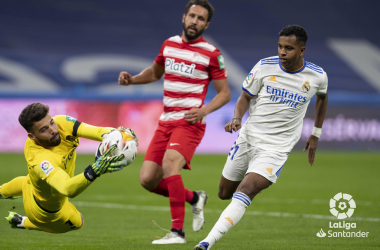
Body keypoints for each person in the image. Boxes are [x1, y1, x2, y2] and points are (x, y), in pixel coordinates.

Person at [194, 25, 328, 249]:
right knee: (224, 193)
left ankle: (207, 242)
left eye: (289, 48)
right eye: (280, 47)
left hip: (276, 148)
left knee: (246, 190)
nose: (282, 52)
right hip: (248, 138)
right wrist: (237, 118)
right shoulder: (265, 67)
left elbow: (322, 98)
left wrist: (315, 133)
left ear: (302, 50)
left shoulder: (317, 76)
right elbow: (244, 97)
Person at [118, 0, 231, 244]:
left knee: (170, 164)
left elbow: (225, 93)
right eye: (192, 16)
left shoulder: (212, 53)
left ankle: (177, 232)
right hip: (165, 122)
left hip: (189, 122)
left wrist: (204, 111)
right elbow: (155, 73)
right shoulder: (169, 45)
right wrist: (133, 80)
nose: (195, 21)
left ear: (206, 24)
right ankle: (194, 198)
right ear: (184, 17)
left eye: (201, 19)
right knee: (148, 179)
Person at [0, 102, 137, 233]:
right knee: (79, 222)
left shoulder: (61, 123)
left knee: (29, 182)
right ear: (32, 136)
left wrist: (118, 135)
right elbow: (68, 188)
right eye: (44, 130)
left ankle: (1, 191)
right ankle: (23, 222)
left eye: (51, 122)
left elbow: (99, 132)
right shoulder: (40, 159)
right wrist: (94, 171)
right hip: (44, 212)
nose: (53, 130)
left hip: (36, 185)